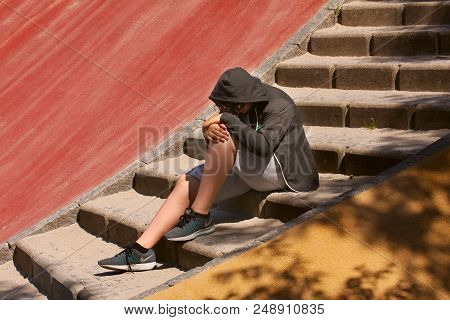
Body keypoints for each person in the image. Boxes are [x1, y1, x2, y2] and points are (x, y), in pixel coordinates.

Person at [98, 67, 319, 272]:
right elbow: (228, 139)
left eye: (227, 107)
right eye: (220, 106)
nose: (221, 110)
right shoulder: (241, 106)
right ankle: (141, 251)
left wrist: (224, 120)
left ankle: (200, 216)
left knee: (224, 136)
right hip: (254, 170)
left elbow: (263, 146)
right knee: (188, 180)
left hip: (285, 172)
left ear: (243, 102)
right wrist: (209, 130)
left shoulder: (279, 105)